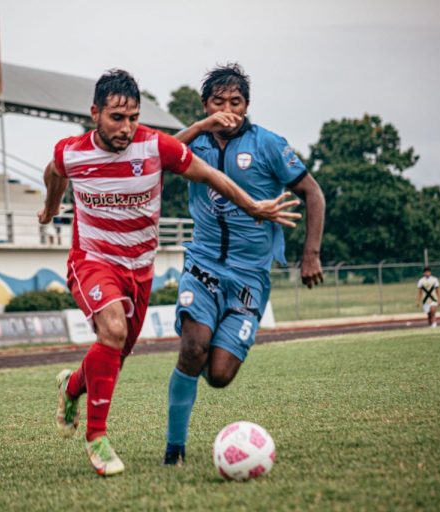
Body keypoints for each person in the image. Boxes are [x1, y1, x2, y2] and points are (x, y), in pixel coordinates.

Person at [39, 69, 302, 477]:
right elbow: (54, 172)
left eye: (133, 118)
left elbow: (210, 174)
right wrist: (53, 205)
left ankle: (72, 386)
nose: (126, 128)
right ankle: (97, 438)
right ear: (95, 113)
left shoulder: (153, 145)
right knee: (112, 332)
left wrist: (255, 207)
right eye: (116, 118)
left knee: (117, 354)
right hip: (91, 259)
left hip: (139, 270)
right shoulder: (72, 151)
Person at [162, 64, 326, 466]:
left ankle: (199, 365)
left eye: (236, 102)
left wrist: (310, 255)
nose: (228, 110)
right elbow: (160, 162)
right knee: (193, 347)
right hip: (202, 265)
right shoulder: (194, 143)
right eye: (219, 102)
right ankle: (174, 450)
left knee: (218, 375)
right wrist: (199, 127)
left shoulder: (268, 145)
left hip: (250, 277)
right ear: (206, 105)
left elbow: (313, 194)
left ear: (247, 105)